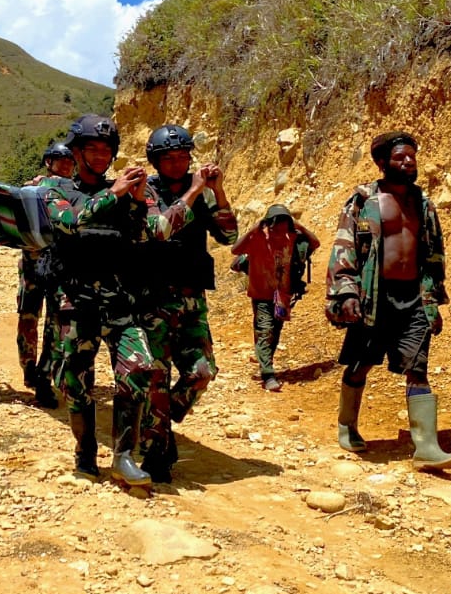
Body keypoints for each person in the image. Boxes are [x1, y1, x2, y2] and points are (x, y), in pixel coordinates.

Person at [42, 114, 196, 488]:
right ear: (76, 152)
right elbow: (70, 222)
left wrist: (139, 201)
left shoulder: (126, 193)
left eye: (106, 150)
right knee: (76, 384)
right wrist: (115, 194)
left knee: (139, 371)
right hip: (75, 302)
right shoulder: (55, 189)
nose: (99, 156)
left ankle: (124, 456)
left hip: (119, 302)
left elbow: (148, 236)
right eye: (91, 149)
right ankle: (85, 451)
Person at [326, 131, 451, 471]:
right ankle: (347, 424)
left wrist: (432, 302)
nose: (409, 161)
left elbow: (433, 256)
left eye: (412, 156)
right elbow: (344, 249)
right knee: (360, 364)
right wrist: (346, 292)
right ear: (382, 162)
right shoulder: (363, 201)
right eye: (401, 157)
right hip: (374, 298)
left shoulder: (423, 204)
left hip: (413, 298)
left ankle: (427, 447)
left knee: (418, 369)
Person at [141, 124, 238, 482]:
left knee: (202, 371)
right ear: (156, 160)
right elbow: (160, 230)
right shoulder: (146, 190)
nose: (178, 164)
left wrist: (218, 191)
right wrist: (196, 189)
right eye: (169, 158)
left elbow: (229, 235)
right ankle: (156, 453)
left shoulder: (205, 194)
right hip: (153, 298)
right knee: (157, 378)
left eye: (184, 157)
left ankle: (163, 422)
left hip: (192, 298)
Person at [232, 204, 320, 392]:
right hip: (261, 294)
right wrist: (254, 228)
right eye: (277, 224)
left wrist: (300, 226)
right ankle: (268, 374)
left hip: (282, 295)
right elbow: (235, 250)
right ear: (270, 224)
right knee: (265, 330)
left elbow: (315, 243)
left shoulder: (293, 238)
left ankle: (266, 363)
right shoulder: (259, 238)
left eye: (284, 223)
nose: (281, 228)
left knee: (276, 332)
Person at [16, 141, 75, 408]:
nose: (65, 165)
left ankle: (44, 377)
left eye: (69, 161)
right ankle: (29, 369)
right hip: (32, 266)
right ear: (48, 162)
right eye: (59, 160)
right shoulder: (33, 189)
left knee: (55, 324)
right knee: (28, 319)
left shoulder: (76, 191)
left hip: (59, 267)